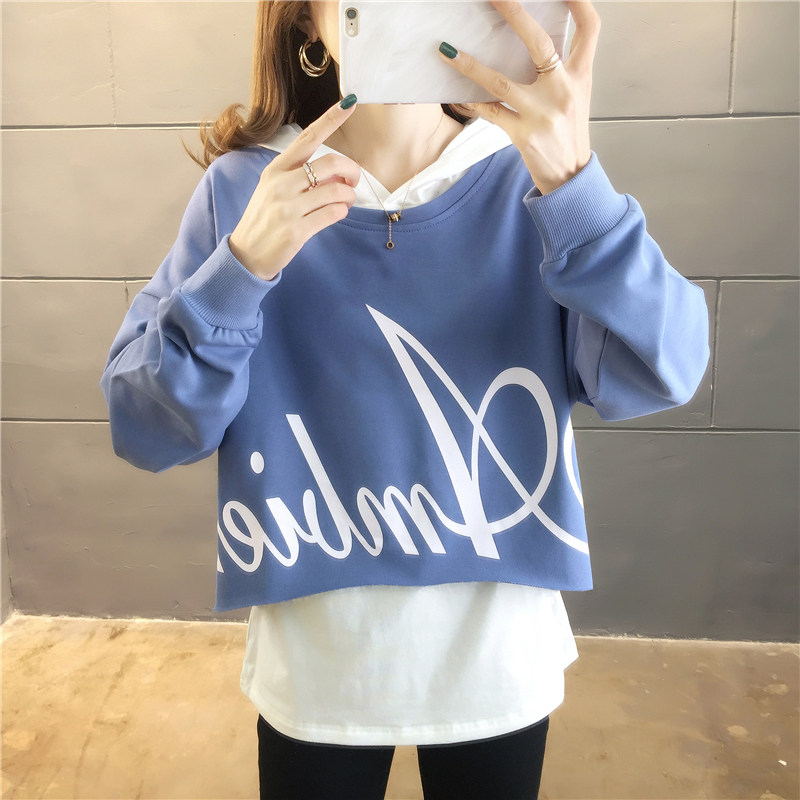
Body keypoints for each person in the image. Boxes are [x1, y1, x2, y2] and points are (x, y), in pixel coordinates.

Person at [100, 1, 710, 797]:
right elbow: (144, 426)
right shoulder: (246, 192)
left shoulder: (535, 177)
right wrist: (240, 267)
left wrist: (576, 188)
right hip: (318, 671)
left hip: (498, 662)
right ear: (305, 23)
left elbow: (668, 366)